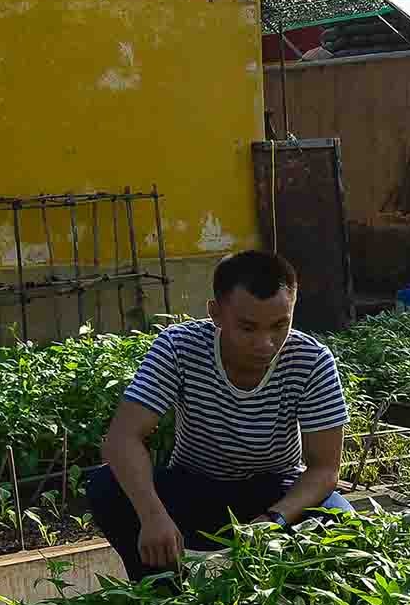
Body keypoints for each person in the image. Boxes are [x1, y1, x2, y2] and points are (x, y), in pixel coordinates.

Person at [86, 249, 351, 583]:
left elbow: (324, 469)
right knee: (106, 487)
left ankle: (286, 599)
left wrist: (274, 521)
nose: (265, 344)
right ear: (216, 313)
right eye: (248, 328)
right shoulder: (179, 347)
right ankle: (161, 595)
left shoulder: (311, 361)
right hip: (195, 487)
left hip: (274, 491)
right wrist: (153, 515)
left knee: (341, 519)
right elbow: (122, 439)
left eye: (279, 325)